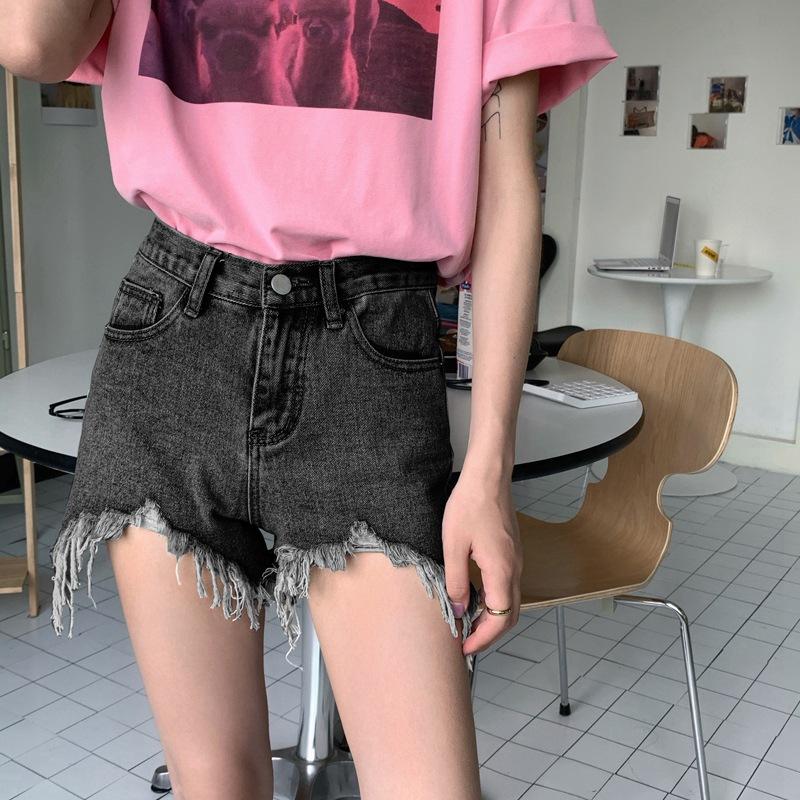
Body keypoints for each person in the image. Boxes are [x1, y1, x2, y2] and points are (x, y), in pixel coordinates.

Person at [2, 2, 617, 797]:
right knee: (214, 783)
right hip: (180, 321)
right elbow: (31, 44)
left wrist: (489, 474)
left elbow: (507, 191)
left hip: (372, 351)